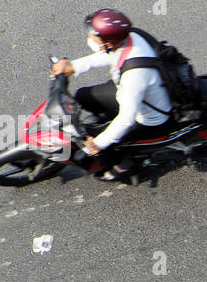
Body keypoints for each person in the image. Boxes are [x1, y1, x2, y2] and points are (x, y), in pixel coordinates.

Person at [49, 9, 178, 180]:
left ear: (108, 42)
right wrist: (73, 66)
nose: (89, 38)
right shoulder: (130, 38)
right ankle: (104, 121)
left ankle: (125, 166)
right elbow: (109, 56)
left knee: (102, 146)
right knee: (82, 96)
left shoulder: (135, 76)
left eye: (93, 36)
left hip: (148, 119)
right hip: (135, 94)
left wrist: (98, 144)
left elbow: (126, 119)